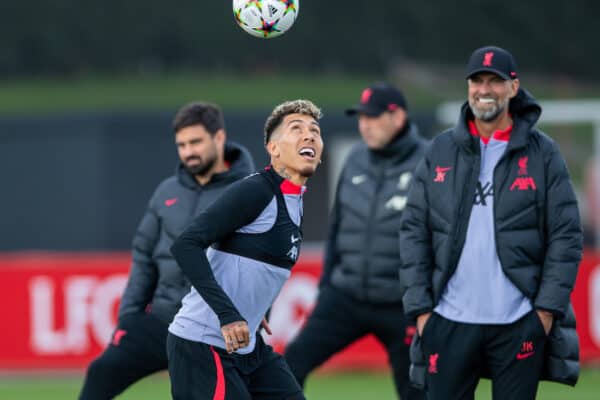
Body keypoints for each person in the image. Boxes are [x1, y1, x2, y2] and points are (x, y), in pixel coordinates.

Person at [399, 45, 582, 400]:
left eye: (495, 81)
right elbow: (413, 232)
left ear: (514, 88)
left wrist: (544, 313)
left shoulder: (544, 153)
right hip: (447, 322)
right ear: (468, 87)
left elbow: (566, 236)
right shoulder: (439, 149)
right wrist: (422, 312)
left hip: (519, 323)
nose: (485, 89)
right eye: (477, 81)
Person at [78, 102, 255, 399]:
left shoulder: (248, 191)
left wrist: (256, 314)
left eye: (195, 142)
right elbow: (144, 257)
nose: (188, 152)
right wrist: (128, 320)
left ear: (219, 138)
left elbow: (261, 260)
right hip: (161, 321)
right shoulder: (166, 192)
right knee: (101, 372)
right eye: (182, 145)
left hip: (214, 328)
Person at [166, 99, 324, 400]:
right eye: (296, 129)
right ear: (274, 149)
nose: (309, 136)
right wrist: (229, 314)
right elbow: (186, 245)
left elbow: (259, 262)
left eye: (315, 131)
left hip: (249, 349)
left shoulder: (295, 199)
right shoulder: (258, 190)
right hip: (203, 346)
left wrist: (259, 308)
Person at [285, 83, 427, 399]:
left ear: (398, 117)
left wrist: (424, 302)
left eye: (374, 117)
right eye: (362, 118)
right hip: (345, 296)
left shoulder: (429, 162)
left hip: (401, 303)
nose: (365, 125)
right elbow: (338, 227)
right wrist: (326, 289)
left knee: (416, 389)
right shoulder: (356, 157)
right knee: (289, 365)